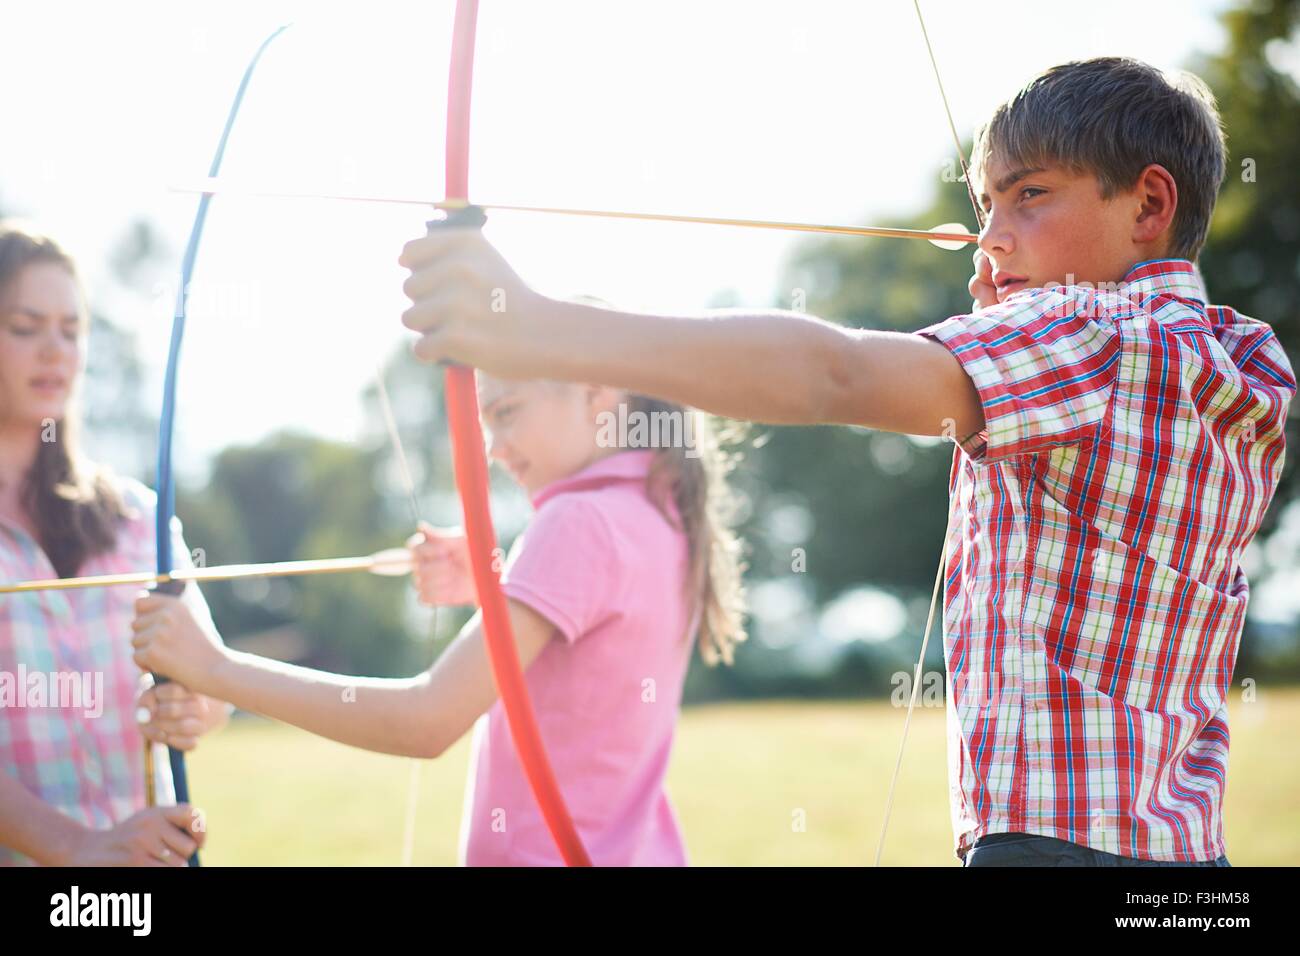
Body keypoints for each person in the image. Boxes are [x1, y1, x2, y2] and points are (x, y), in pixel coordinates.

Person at [394, 58, 1295, 866]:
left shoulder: (1091, 341)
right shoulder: (1237, 366)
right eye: (986, 208)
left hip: (1053, 847)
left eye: (1031, 196)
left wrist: (538, 324)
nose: (993, 237)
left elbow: (834, 373)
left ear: (1148, 205)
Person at [133, 368, 748, 865]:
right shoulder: (659, 514)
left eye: (507, 412)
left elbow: (425, 721)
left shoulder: (579, 522)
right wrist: (497, 590)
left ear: (595, 392)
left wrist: (214, 666)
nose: (494, 447)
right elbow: (594, 658)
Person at [0, 221, 226, 866]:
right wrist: (79, 849)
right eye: (25, 327)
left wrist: (192, 707)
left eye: (71, 331)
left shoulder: (137, 517)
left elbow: (214, 692)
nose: (55, 351)